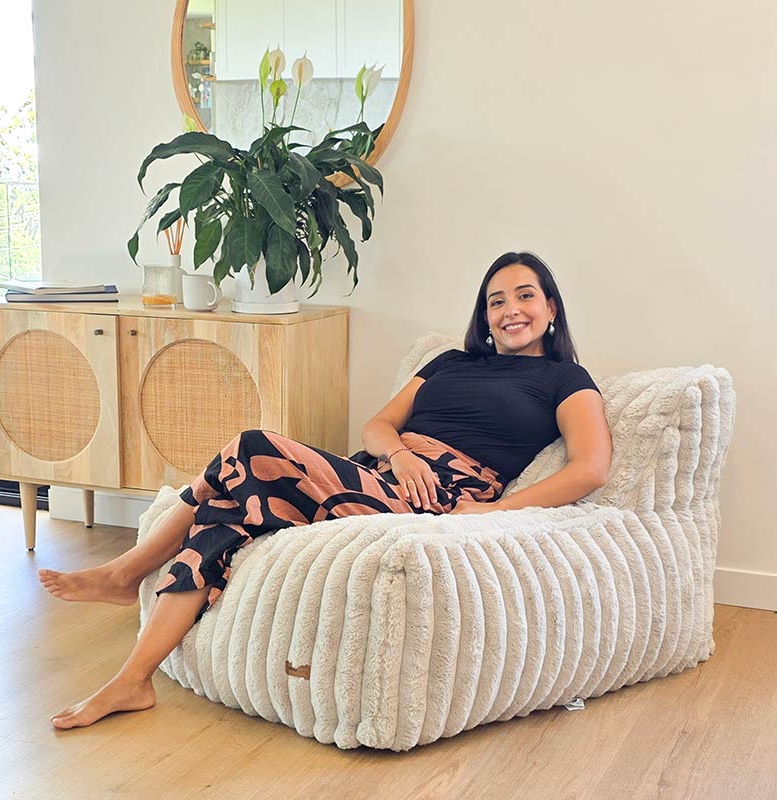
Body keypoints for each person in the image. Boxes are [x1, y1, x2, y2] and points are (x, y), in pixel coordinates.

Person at [38, 251, 612, 729]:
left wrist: (495, 510)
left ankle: (127, 572)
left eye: (524, 296)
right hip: (381, 471)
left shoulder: (564, 378)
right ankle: (133, 679)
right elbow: (377, 425)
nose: (511, 310)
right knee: (224, 515)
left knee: (250, 446)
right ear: (484, 316)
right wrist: (400, 453)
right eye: (496, 301)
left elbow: (591, 468)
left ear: (551, 307)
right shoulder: (449, 361)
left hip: (436, 495)